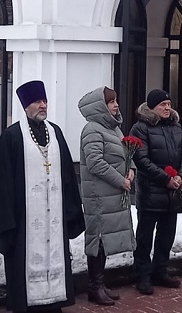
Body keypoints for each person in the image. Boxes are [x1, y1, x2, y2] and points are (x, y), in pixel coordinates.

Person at [0, 80, 85, 313]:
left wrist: (72, 212)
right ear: (25, 106)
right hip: (24, 220)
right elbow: (2, 183)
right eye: (36, 102)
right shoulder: (12, 136)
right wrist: (7, 224)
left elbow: (68, 177)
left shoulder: (55, 132)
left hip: (54, 218)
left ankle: (53, 303)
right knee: (22, 267)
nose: (42, 105)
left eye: (44, 101)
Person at [79, 87, 136, 306]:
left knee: (106, 240)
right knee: (98, 240)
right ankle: (94, 286)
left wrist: (131, 170)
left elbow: (124, 154)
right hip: (100, 196)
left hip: (114, 194)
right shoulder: (92, 129)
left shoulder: (114, 129)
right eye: (111, 102)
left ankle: (101, 283)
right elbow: (95, 162)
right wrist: (120, 180)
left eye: (115, 101)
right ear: (99, 106)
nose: (116, 105)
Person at [129, 89, 182, 294]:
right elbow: (142, 160)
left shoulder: (176, 127)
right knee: (145, 236)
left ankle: (161, 271)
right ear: (152, 107)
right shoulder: (140, 128)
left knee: (167, 234)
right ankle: (142, 275)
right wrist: (166, 179)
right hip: (151, 192)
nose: (167, 108)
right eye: (162, 104)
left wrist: (181, 175)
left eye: (169, 104)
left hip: (172, 193)